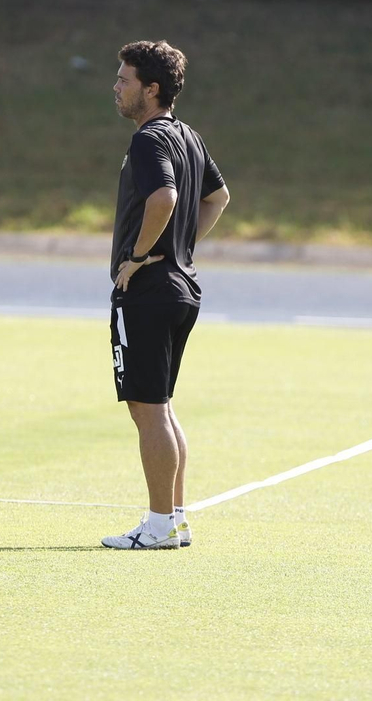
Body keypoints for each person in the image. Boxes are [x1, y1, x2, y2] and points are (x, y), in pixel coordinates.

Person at [102, 40, 230, 550]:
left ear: (150, 89)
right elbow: (218, 197)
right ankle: (173, 520)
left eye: (124, 79)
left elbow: (165, 197)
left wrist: (136, 256)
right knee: (161, 406)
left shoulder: (149, 139)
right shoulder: (188, 136)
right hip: (181, 287)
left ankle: (158, 524)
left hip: (149, 290)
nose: (116, 86)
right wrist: (183, 244)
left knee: (147, 408)